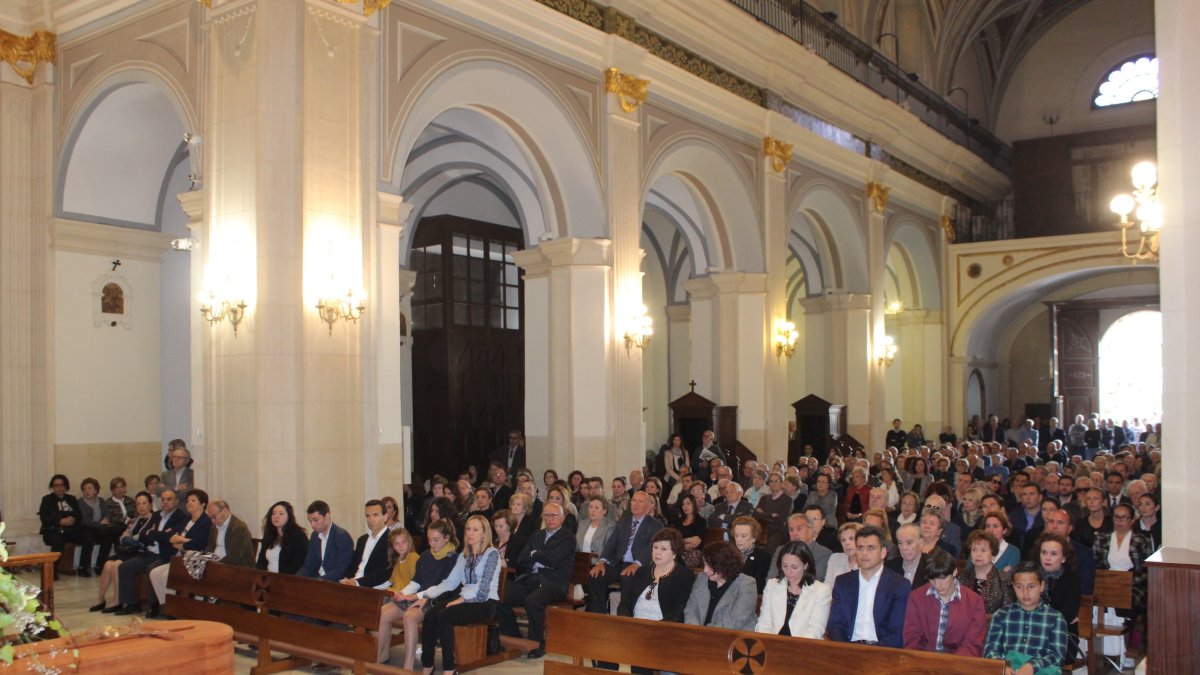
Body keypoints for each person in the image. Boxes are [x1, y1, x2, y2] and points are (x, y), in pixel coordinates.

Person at [413, 515, 502, 674]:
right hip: (464, 599)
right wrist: (423, 596)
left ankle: (449, 668)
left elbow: (484, 589)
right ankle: (427, 666)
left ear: (484, 533)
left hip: (485, 603)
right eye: (468, 529)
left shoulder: (492, 554)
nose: (470, 533)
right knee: (430, 613)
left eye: (475, 529)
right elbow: (449, 583)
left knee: (444, 616)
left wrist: (461, 599)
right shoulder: (464, 555)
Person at [497, 502, 575, 658]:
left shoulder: (568, 538)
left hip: (553, 584)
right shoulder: (536, 536)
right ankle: (513, 634)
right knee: (499, 593)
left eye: (554, 515)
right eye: (547, 515)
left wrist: (535, 554)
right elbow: (521, 561)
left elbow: (553, 561)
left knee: (533, 601)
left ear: (562, 518)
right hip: (530, 580)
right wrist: (537, 555)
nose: (550, 518)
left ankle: (537, 644)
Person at [614, 529, 695, 674]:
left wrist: (655, 630)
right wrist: (627, 622)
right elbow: (625, 602)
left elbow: (680, 610)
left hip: (664, 634)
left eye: (663, 549)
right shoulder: (642, 571)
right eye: (655, 547)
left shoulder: (684, 576)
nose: (657, 552)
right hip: (636, 631)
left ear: (675, 553)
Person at [382, 518, 459, 667]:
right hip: (419, 595)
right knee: (383, 612)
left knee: (409, 616)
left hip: (436, 599)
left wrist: (416, 596)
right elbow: (416, 581)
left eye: (436, 540)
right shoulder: (425, 556)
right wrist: (403, 593)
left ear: (447, 538)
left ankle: (408, 665)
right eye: (429, 540)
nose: (432, 544)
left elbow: (444, 587)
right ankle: (380, 657)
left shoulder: (453, 558)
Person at [827, 526, 911, 647]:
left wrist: (871, 653)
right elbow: (836, 625)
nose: (864, 553)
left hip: (883, 651)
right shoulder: (843, 582)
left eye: (871, 548)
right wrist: (846, 650)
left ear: (883, 553)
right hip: (848, 649)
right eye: (860, 548)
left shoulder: (899, 585)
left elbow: (897, 632)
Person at [110, 489, 187, 615]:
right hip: (148, 552)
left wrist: (154, 534)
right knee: (124, 567)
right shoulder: (157, 515)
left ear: (176, 501)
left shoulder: (181, 517)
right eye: (163, 499)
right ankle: (132, 604)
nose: (165, 502)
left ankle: (154, 605)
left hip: (164, 555)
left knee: (152, 569)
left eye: (169, 499)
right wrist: (157, 534)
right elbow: (144, 534)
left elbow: (171, 536)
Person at [984, 561, 1068, 674]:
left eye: (1031, 586)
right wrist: (1003, 667)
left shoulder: (1056, 618)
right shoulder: (1001, 615)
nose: (1025, 593)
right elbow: (990, 650)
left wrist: (1032, 666)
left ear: (1042, 586)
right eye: (1019, 587)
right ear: (1013, 586)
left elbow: (1057, 656)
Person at [587, 491, 664, 613]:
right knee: (596, 575)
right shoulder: (624, 521)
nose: (636, 504)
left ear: (649, 506)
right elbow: (612, 543)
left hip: (639, 567)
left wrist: (636, 564)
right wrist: (601, 562)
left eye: (640, 501)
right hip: (618, 563)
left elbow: (651, 548)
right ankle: (598, 615)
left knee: (628, 577)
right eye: (633, 500)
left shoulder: (656, 525)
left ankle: (623, 615)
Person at [903, 548, 987, 655]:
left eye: (943, 578)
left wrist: (951, 665)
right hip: (923, 660)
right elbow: (912, 637)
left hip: (959, 662)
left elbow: (972, 643)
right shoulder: (916, 597)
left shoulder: (974, 601)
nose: (938, 585)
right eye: (932, 579)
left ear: (954, 572)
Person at [146, 489, 212, 617]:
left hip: (194, 560)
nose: (189, 503)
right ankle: (166, 607)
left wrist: (181, 541)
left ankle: (175, 609)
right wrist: (181, 540)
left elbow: (197, 543)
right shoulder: (187, 520)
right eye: (188, 501)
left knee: (167, 575)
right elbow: (172, 537)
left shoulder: (205, 521)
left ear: (203, 504)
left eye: (193, 501)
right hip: (179, 558)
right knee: (155, 573)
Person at [91, 490, 155, 612]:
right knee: (108, 564)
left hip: (142, 553)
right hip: (131, 551)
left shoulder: (153, 520)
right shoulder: (134, 520)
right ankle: (100, 599)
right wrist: (130, 539)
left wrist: (130, 539)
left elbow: (142, 539)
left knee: (116, 565)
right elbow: (122, 538)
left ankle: (117, 600)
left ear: (150, 505)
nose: (141, 506)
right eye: (138, 504)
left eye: (144, 503)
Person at [755, 541, 831, 638]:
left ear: (805, 565)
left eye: (794, 567)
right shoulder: (772, 585)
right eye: (785, 566)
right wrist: (770, 643)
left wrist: (793, 648)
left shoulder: (821, 591)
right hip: (773, 644)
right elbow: (764, 622)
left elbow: (815, 630)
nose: (788, 572)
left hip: (804, 647)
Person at [1093, 502, 1152, 622]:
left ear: (1132, 520)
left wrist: (1127, 582)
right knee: (1094, 603)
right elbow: (1095, 565)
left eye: (1124, 517)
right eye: (1116, 517)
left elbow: (1147, 570)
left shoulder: (1141, 541)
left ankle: (1126, 634)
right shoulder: (1102, 539)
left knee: (1126, 605)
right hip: (1106, 584)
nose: (1120, 521)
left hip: (1132, 585)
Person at [683, 541, 757, 630]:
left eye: (710, 566)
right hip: (700, 634)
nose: (705, 570)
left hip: (734, 638)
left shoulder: (746, 584)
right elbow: (691, 610)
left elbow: (734, 621)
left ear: (724, 565)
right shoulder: (702, 578)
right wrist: (694, 631)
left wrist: (704, 634)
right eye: (704, 564)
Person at [1035, 532, 1082, 665]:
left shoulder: (1072, 579)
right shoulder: (1032, 575)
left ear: (1063, 558)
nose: (1047, 558)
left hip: (1062, 636)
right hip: (1033, 632)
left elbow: (1066, 615)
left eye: (1053, 554)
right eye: (1044, 552)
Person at [38, 474, 85, 577]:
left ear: (66, 486)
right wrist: (59, 521)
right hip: (54, 530)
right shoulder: (47, 500)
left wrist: (73, 519)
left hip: (71, 530)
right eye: (56, 485)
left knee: (88, 538)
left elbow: (78, 514)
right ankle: (53, 570)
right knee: (59, 540)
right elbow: (44, 517)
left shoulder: (71, 499)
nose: (59, 487)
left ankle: (83, 567)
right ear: (52, 487)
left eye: (62, 485)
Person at [958, 529, 1014, 615]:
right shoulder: (963, 576)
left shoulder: (1004, 579)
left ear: (993, 553)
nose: (978, 554)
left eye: (983, 550)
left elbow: (1007, 613)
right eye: (974, 550)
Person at [297, 499, 354, 582]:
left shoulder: (341, 536)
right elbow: (309, 566)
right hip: (318, 580)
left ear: (327, 516)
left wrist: (318, 580)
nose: (312, 525)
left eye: (316, 520)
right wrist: (295, 579)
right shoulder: (314, 536)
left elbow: (341, 570)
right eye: (310, 521)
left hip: (334, 583)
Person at [340, 499, 393, 589]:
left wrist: (357, 582)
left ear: (385, 517)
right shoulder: (362, 540)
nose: (371, 519)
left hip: (372, 588)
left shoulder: (391, 540)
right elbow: (353, 566)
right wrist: (345, 579)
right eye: (368, 516)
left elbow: (385, 572)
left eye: (375, 515)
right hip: (354, 584)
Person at [770, 513, 833, 582]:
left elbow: (815, 581)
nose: (794, 533)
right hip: (779, 591)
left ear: (811, 530)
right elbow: (771, 578)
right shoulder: (780, 550)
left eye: (799, 529)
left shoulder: (824, 553)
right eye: (791, 530)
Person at [256, 501, 309, 574]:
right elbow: (261, 561)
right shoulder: (269, 535)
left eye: (281, 514)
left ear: (289, 516)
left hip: (287, 579)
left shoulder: (298, 536)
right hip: (268, 579)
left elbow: (298, 564)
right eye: (273, 513)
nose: (276, 516)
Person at [204, 498, 255, 567]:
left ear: (225, 511)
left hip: (237, 567)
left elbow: (234, 556)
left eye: (214, 516)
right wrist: (205, 560)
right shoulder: (214, 527)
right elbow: (210, 547)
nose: (212, 521)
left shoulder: (239, 528)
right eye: (210, 517)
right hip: (217, 565)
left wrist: (216, 565)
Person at [730, 516, 770, 593]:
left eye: (743, 536)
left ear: (754, 537)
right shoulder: (728, 554)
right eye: (736, 535)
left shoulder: (762, 556)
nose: (738, 539)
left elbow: (758, 586)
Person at [886, 523, 929, 590]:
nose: (904, 548)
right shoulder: (889, 567)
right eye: (900, 543)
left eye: (909, 543)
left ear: (921, 543)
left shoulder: (932, 566)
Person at [672, 493, 706, 568]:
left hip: (695, 553)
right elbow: (673, 540)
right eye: (683, 504)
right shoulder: (678, 521)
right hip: (678, 551)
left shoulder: (701, 521)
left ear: (694, 504)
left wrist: (679, 542)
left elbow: (697, 542)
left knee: (676, 560)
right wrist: (688, 540)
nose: (685, 506)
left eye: (688, 503)